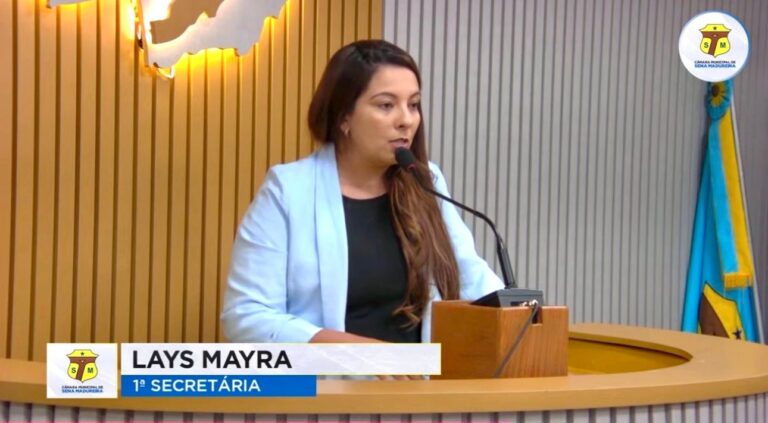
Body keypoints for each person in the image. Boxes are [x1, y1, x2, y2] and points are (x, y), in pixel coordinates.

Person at [221, 39, 503, 347]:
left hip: (419, 376)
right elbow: (246, 315)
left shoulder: (425, 181)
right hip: (329, 376)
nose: (406, 120)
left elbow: (472, 277)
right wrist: (359, 352)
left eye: (413, 105)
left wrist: (521, 314)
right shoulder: (288, 190)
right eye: (386, 105)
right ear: (343, 116)